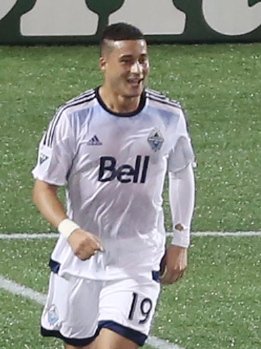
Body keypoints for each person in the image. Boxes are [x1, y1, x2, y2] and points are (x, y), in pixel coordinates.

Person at [32, 22, 196, 349]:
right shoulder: (73, 117)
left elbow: (182, 172)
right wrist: (70, 229)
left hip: (138, 260)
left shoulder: (168, 116)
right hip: (80, 262)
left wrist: (181, 239)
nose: (137, 70)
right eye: (127, 61)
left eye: (143, 59)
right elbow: (43, 187)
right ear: (104, 64)